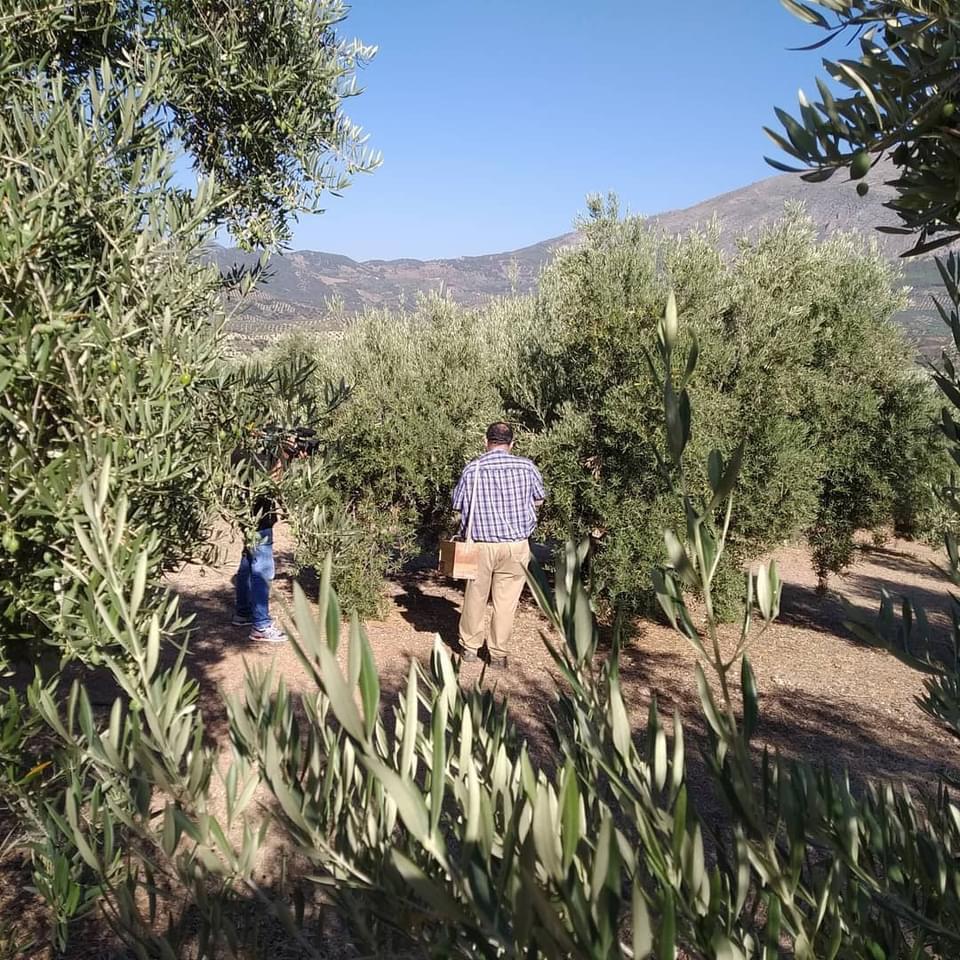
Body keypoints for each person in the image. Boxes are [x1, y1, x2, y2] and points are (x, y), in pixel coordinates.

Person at [452, 421, 545, 667]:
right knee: (506, 601)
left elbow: (458, 504)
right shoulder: (527, 467)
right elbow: (538, 499)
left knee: (475, 595)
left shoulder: (474, 469)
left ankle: (470, 648)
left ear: (486, 442)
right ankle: (498, 654)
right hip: (516, 545)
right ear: (512, 444)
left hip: (480, 545)